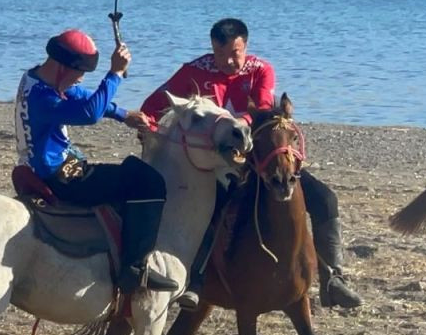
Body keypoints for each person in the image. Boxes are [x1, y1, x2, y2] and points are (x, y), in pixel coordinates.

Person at [126, 18, 364, 310]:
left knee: (325, 199)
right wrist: (144, 121)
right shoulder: (193, 72)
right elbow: (155, 104)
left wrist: (242, 124)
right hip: (217, 163)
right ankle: (196, 280)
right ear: (212, 48)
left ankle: (332, 279)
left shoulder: (261, 70)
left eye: (235, 52)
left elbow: (263, 109)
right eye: (220, 53)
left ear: (245, 46)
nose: (227, 61)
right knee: (214, 208)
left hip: (261, 159)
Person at [15, 28, 176, 293]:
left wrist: (123, 115)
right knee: (147, 180)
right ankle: (135, 270)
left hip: (48, 168)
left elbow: (82, 98)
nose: (80, 79)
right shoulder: (42, 98)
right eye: (79, 73)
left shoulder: (36, 79)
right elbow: (90, 112)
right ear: (61, 67)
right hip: (63, 177)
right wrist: (115, 74)